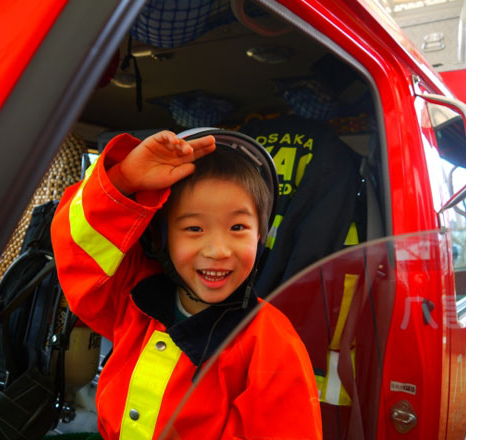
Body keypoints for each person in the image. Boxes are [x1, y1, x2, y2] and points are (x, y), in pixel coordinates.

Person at [50, 129, 322, 439]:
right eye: (194, 228)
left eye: (238, 227)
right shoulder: (133, 299)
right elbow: (79, 249)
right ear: (161, 238)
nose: (218, 250)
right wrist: (124, 179)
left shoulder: (270, 343)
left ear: (260, 236)